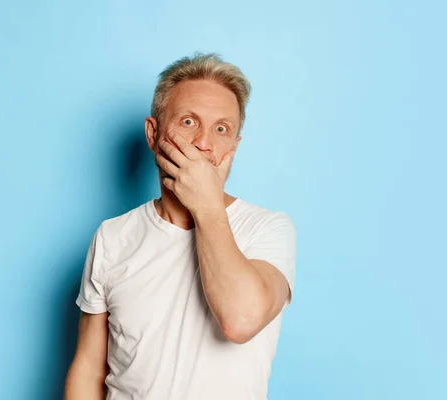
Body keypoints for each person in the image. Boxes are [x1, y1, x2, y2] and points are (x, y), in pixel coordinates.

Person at [64, 53, 297, 400]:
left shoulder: (269, 229)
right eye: (188, 122)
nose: (204, 143)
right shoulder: (112, 237)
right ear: (153, 133)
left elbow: (241, 320)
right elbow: (89, 368)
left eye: (222, 129)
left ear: (234, 146)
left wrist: (206, 204)